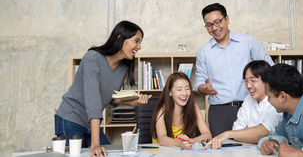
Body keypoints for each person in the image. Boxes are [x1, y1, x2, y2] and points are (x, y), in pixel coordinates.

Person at [55, 21, 152, 157]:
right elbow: (93, 99)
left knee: (106, 153)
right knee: (89, 152)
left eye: (140, 42)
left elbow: (111, 97)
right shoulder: (92, 58)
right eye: (136, 41)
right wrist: (95, 144)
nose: (139, 46)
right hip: (71, 118)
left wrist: (132, 102)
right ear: (120, 37)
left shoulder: (123, 67)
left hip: (91, 124)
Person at [195, 3, 274, 136]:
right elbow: (198, 83)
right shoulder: (203, 52)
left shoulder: (248, 42)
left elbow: (270, 68)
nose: (214, 28)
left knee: (255, 147)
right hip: (220, 112)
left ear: (227, 19)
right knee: (221, 149)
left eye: (217, 22)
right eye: (209, 25)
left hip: (251, 105)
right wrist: (204, 88)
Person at [203, 60, 282, 149]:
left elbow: (264, 132)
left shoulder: (276, 101)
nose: (248, 85)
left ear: (267, 80)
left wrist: (228, 134)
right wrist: (251, 136)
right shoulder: (248, 101)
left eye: (253, 80)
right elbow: (237, 131)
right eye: (246, 81)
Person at [150, 72, 211, 150]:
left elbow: (207, 134)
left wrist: (190, 141)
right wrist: (179, 144)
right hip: (162, 152)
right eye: (179, 89)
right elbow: (162, 139)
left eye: (187, 88)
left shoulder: (194, 107)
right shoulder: (161, 110)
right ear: (170, 92)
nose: (184, 93)